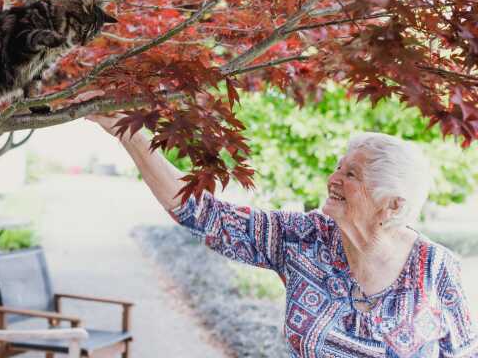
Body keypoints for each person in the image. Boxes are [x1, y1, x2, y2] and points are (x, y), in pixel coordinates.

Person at [88, 112, 478, 358]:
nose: (333, 179)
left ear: (391, 205)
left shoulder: (434, 269)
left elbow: (463, 351)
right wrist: (131, 135)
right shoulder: (305, 239)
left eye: (351, 175)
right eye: (338, 168)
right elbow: (203, 214)